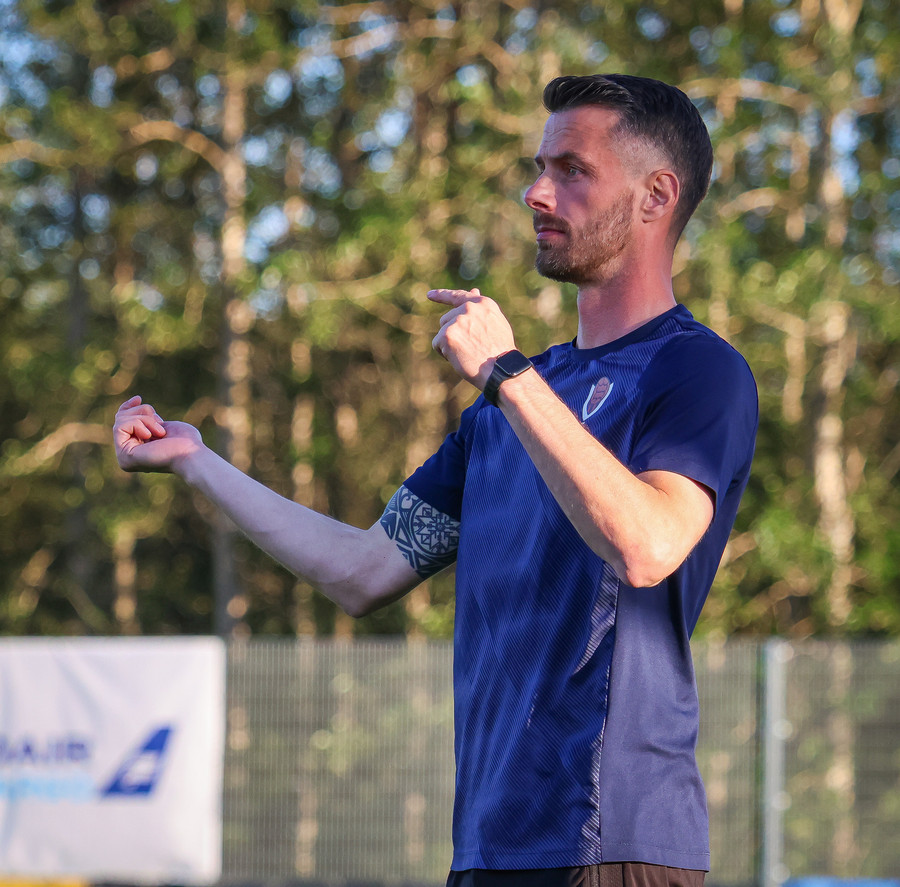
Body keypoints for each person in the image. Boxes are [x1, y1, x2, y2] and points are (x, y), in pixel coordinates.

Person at [114, 74, 758, 887]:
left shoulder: (696, 369)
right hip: (488, 847)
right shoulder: (507, 407)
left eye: (572, 170)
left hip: (612, 843)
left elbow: (647, 545)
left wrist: (506, 373)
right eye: (540, 168)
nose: (536, 192)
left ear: (656, 195)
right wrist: (197, 461)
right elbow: (361, 570)